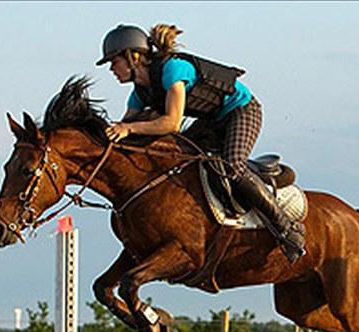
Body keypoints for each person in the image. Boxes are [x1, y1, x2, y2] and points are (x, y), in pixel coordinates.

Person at [96, 24, 305, 264]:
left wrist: (128, 128)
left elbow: (172, 123)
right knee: (179, 158)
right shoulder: (139, 94)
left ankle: (286, 229)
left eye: (114, 61)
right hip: (213, 120)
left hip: (242, 111)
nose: (112, 69)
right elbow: (125, 130)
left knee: (232, 165)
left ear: (133, 57)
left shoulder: (173, 69)